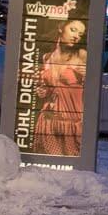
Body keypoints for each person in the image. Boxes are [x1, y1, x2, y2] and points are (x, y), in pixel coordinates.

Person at [33, 19, 88, 156]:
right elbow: (48, 89)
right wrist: (43, 91)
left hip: (72, 122)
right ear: (61, 28)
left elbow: (92, 87)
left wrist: (86, 76)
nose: (76, 36)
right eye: (73, 30)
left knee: (71, 165)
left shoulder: (81, 55)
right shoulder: (47, 58)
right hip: (48, 121)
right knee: (47, 164)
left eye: (80, 34)